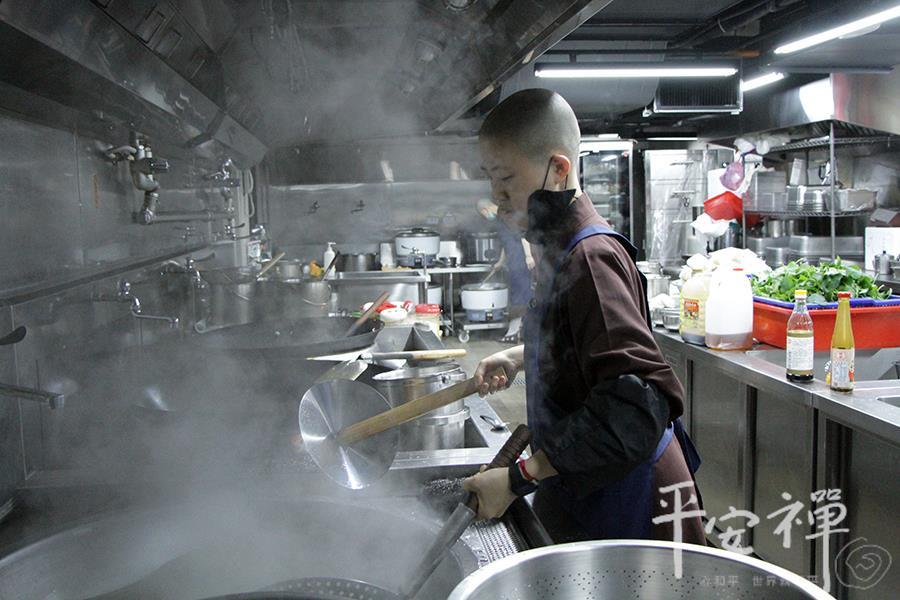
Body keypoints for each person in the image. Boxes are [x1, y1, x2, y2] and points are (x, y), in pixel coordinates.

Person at [463, 89, 705, 544]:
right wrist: (523, 355)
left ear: (558, 169)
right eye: (490, 178)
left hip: (632, 498)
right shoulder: (558, 246)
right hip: (587, 482)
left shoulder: (591, 258)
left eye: (506, 178)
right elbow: (585, 343)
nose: (497, 195)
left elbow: (635, 406)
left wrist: (519, 476)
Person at [476, 199, 534, 343]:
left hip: (521, 263)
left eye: (483, 214)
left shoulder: (508, 216)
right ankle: (521, 332)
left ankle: (513, 333)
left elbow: (523, 235)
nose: (485, 217)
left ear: (485, 209)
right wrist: (500, 262)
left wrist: (528, 256)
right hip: (513, 264)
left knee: (520, 297)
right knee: (519, 295)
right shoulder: (499, 221)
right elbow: (506, 243)